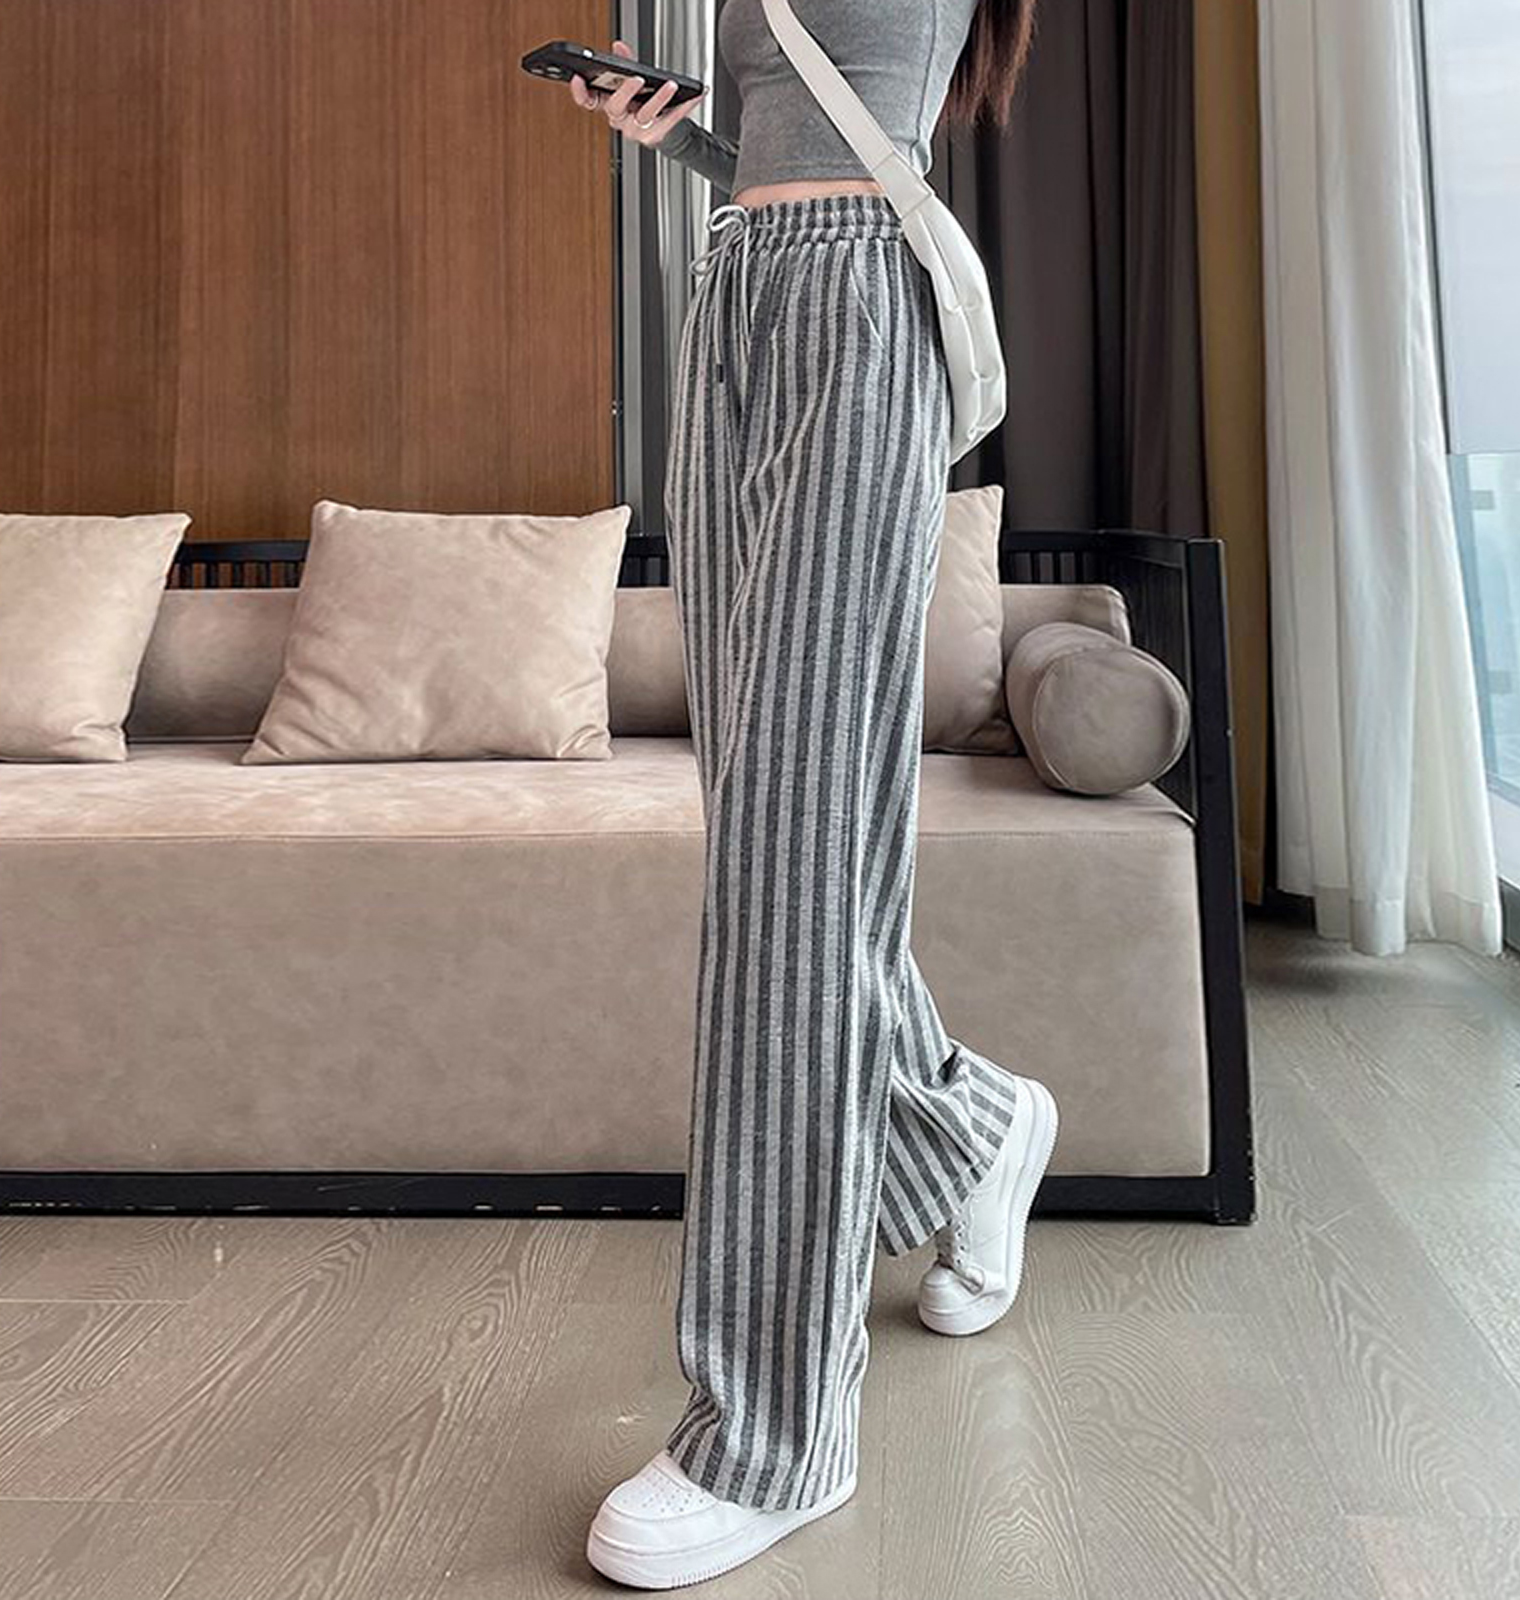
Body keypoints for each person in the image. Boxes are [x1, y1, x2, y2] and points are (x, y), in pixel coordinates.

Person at [565, 2, 1045, 1587]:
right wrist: (688, 139)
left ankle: (778, 1424)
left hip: (856, 302)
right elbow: (799, 128)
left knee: (791, 857)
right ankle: (971, 1127)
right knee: (778, 837)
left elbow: (873, 142)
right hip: (740, 286)